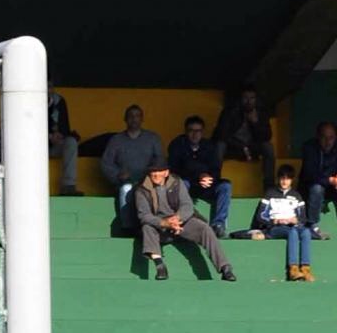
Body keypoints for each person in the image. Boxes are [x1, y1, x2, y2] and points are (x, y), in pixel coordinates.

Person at [133, 163, 236, 283]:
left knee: (204, 228)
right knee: (147, 228)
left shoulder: (177, 182)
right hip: (159, 224)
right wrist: (165, 223)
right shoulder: (141, 189)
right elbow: (144, 215)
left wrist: (178, 218)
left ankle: (225, 268)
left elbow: (187, 206)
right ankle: (159, 265)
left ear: (166, 173)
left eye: (159, 171)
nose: (155, 175)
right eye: (152, 172)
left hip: (179, 221)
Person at [99, 105, 162, 234]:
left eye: (137, 116)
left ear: (142, 119)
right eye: (131, 116)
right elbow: (106, 163)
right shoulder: (116, 140)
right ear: (125, 119)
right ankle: (128, 228)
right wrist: (117, 175)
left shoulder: (152, 138)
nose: (134, 119)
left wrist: (152, 175)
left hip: (148, 181)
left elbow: (160, 161)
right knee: (126, 189)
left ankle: (157, 226)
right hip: (125, 182)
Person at [167, 116, 233, 237]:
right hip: (187, 185)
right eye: (191, 130)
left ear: (202, 132)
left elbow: (216, 169)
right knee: (182, 183)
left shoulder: (209, 146)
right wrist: (198, 176)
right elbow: (174, 170)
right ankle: (182, 221)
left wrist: (208, 178)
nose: (195, 134)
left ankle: (219, 224)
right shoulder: (177, 144)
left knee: (225, 185)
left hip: (206, 185)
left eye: (198, 131)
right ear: (186, 131)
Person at [255, 166, 315, 282]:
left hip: (292, 225)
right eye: (282, 178)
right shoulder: (270, 193)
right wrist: (275, 221)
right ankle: (293, 269)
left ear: (292, 180)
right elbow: (260, 216)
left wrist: (295, 220)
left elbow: (303, 218)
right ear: (278, 179)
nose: (284, 181)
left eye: (287, 179)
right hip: (274, 228)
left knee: (306, 232)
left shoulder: (297, 195)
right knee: (292, 232)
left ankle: (305, 269)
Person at [300, 122, 337, 240]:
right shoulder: (309, 147)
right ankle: (313, 226)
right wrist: (329, 180)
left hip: (334, 186)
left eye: (331, 138)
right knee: (317, 188)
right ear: (318, 137)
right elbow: (309, 174)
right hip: (312, 186)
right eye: (324, 137)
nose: (328, 142)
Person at [215, 87, 278, 192]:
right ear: (240, 99)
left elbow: (267, 136)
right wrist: (242, 146)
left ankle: (269, 187)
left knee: (268, 147)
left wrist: (255, 122)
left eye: (252, 98)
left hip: (252, 148)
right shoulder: (230, 111)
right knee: (219, 145)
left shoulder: (260, 113)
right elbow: (221, 134)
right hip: (233, 148)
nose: (248, 101)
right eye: (245, 98)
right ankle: (215, 182)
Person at [47, 87, 81, 196]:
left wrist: (59, 135)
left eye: (50, 87)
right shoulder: (27, 99)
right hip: (34, 147)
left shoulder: (59, 101)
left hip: (54, 146)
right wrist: (49, 136)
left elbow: (65, 128)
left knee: (71, 142)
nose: (48, 90)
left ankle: (68, 186)